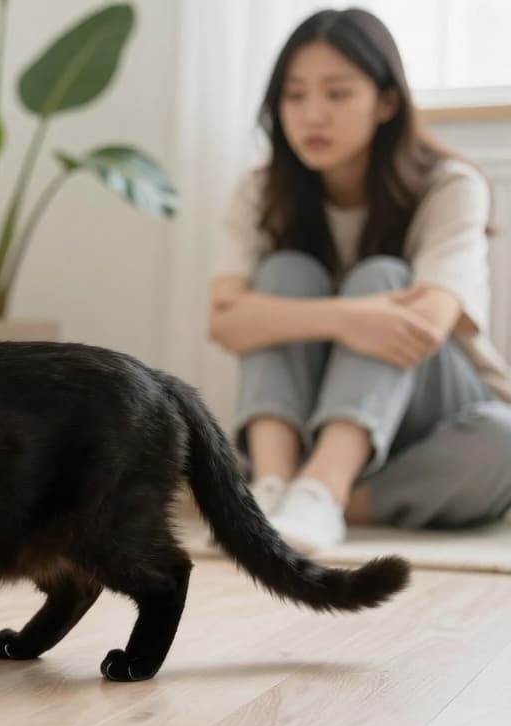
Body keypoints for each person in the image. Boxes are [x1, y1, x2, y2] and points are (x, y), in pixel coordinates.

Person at [208, 7, 511, 553]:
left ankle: (323, 492)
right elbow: (224, 320)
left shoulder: (450, 184)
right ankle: (274, 489)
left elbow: (427, 323)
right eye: (294, 96)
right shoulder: (262, 188)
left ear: (387, 102)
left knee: (503, 441)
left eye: (337, 93)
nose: (312, 115)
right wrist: (352, 317)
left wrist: (362, 306)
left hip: (430, 416)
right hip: (302, 421)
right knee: (285, 272)